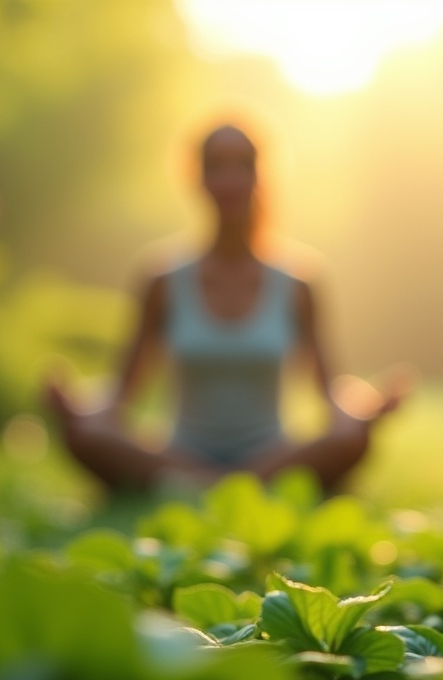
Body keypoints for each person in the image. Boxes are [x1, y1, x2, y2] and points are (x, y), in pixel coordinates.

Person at [44, 123, 406, 494]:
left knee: (350, 436)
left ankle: (198, 487)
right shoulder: (162, 279)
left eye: (243, 165)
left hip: (271, 455)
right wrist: (78, 408)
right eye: (216, 165)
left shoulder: (299, 282)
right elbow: (123, 394)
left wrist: (368, 407)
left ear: (261, 177)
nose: (230, 179)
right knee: (85, 434)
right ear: (197, 178)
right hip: (179, 453)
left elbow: (330, 392)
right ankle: (235, 487)